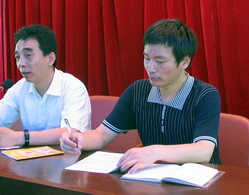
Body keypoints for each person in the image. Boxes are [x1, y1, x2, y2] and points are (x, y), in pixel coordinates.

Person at [60, 19, 220, 173]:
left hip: (197, 179)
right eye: (147, 58)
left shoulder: (205, 95)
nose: (150, 68)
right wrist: (79, 139)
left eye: (160, 61)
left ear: (184, 62)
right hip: (151, 177)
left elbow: (203, 150)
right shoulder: (138, 91)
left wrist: (156, 152)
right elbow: (101, 135)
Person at [0, 24, 91, 147]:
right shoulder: (19, 89)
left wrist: (19, 138)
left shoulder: (73, 87)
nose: (21, 63)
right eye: (17, 57)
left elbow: (71, 133)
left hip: (68, 158)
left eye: (28, 55)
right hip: (31, 158)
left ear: (50, 59)